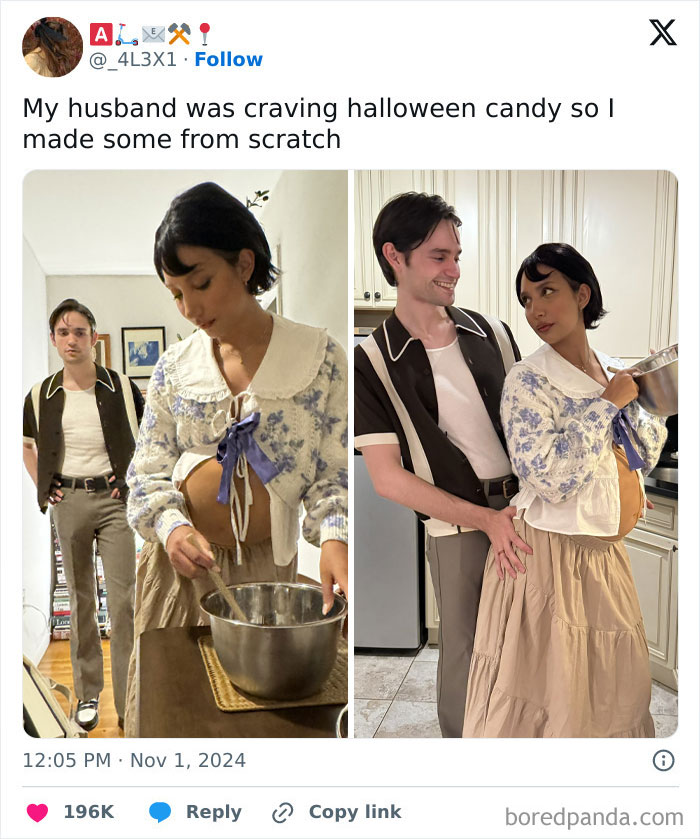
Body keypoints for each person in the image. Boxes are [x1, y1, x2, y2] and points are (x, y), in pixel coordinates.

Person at [124, 182, 348, 735]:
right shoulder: (174, 370)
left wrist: (336, 540)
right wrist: (173, 530)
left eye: (201, 282)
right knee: (175, 718)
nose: (190, 308)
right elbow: (146, 476)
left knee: (267, 723)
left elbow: (331, 476)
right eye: (176, 293)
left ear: (244, 264)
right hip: (180, 575)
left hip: (266, 577)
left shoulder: (318, 360)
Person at [463, 243, 667, 738]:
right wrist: (606, 405)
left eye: (547, 291)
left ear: (582, 294)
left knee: (610, 689)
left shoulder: (615, 369)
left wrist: (634, 460)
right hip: (548, 559)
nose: (535, 310)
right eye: (526, 299)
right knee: (548, 694)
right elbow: (550, 477)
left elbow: (648, 448)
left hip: (604, 557)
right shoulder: (527, 381)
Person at [355, 192, 530, 738]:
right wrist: (486, 519)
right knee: (467, 649)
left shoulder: (494, 333)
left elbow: (535, 427)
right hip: (457, 524)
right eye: (438, 256)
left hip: (527, 508)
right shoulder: (372, 359)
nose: (454, 269)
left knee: (531, 640)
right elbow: (387, 479)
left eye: (457, 254)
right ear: (394, 257)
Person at [23, 299, 144, 731]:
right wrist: (47, 488)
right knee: (80, 601)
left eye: (79, 332)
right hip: (69, 502)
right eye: (62, 332)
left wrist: (128, 482)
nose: (71, 339)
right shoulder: (40, 395)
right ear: (54, 339)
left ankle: (130, 698)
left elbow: (146, 441)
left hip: (115, 503)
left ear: (93, 337)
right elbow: (26, 445)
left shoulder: (122, 387)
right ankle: (87, 694)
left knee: (125, 602)